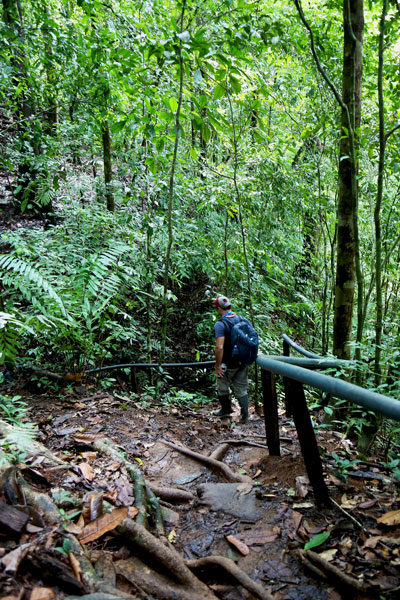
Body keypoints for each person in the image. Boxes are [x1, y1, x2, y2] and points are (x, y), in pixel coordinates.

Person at [213, 296, 249, 422]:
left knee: (222, 384)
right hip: (243, 360)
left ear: (219, 309)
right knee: (241, 388)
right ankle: (245, 415)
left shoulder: (221, 324)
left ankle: (226, 409)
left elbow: (219, 347)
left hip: (228, 362)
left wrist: (217, 365)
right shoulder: (242, 319)